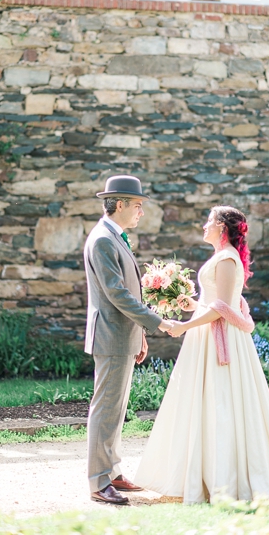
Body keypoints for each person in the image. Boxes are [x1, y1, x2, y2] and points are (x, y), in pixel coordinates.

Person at [134, 205, 269, 503]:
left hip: (220, 341)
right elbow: (217, 303)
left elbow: (223, 308)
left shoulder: (226, 259)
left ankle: (223, 478)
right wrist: (191, 305)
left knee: (222, 400)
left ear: (222, 228)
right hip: (207, 336)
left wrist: (184, 326)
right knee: (205, 401)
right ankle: (200, 474)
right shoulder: (221, 258)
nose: (204, 226)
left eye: (209, 222)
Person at [84, 175, 174, 506]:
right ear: (119, 204)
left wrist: (139, 335)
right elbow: (117, 294)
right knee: (105, 409)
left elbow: (123, 294)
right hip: (110, 336)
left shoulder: (113, 237)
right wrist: (157, 322)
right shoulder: (103, 240)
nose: (141, 212)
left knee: (115, 409)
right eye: (138, 205)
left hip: (123, 335)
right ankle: (98, 482)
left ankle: (111, 471)